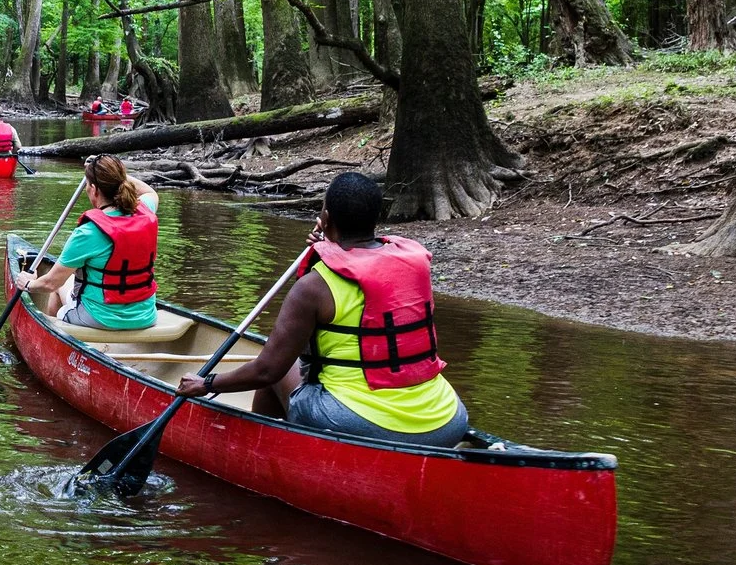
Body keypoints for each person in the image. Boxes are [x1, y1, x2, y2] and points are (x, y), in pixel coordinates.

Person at [175, 170, 469, 445]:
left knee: (280, 363)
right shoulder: (413, 264)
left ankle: (259, 447)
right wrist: (329, 243)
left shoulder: (314, 287)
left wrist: (207, 383)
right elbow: (360, 260)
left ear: (325, 218)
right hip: (446, 420)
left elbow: (266, 371)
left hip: (360, 423)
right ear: (376, 216)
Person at [24, 156, 161, 330]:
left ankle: (56, 334)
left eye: (88, 185)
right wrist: (115, 174)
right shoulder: (146, 211)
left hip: (99, 318)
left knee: (59, 287)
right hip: (146, 316)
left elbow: (50, 283)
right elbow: (150, 192)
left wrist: (27, 284)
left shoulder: (88, 232)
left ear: (94, 189)